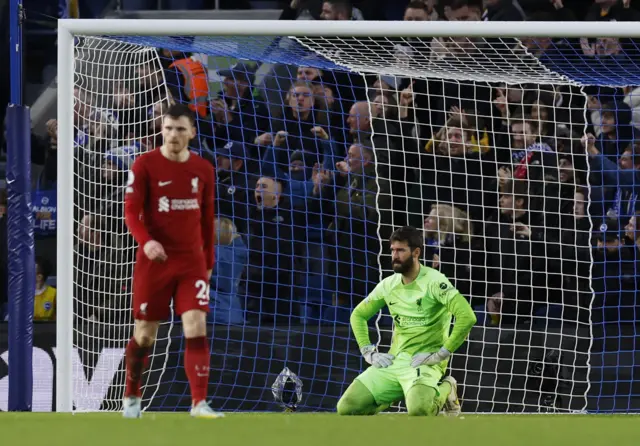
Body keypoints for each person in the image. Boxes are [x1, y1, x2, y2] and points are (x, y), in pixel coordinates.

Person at [123, 104, 221, 419]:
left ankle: (199, 403)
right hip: (155, 263)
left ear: (192, 132)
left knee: (196, 325)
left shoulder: (204, 169)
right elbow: (131, 210)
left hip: (191, 262)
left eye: (180, 129)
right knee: (145, 335)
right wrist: (147, 241)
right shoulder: (144, 165)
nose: (173, 134)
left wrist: (209, 262)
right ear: (161, 130)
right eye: (168, 128)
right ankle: (132, 396)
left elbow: (207, 220)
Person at [336, 226, 477, 416]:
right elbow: (358, 315)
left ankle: (447, 388)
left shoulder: (435, 281)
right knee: (347, 407)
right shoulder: (388, 285)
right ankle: (393, 393)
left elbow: (467, 316)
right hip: (395, 361)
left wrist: (441, 354)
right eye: (393, 250)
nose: (395, 255)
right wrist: (368, 352)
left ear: (416, 252)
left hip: (426, 362)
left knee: (419, 410)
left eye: (401, 250)